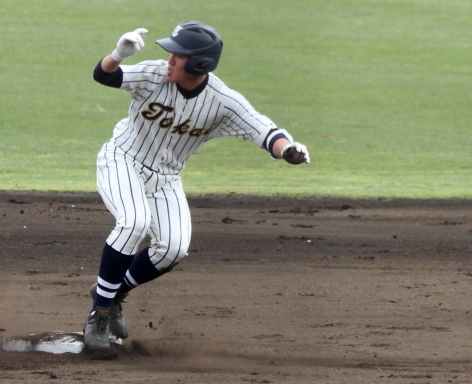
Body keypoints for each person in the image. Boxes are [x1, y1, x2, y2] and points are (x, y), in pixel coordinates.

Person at [82, 22, 311, 350]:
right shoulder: (154, 74)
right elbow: (105, 76)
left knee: (173, 248)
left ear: (200, 65)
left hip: (166, 177)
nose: (170, 59)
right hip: (123, 160)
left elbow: (265, 131)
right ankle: (100, 312)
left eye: (179, 54)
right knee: (134, 222)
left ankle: (113, 292)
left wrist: (287, 150)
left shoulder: (222, 102)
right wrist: (118, 55)